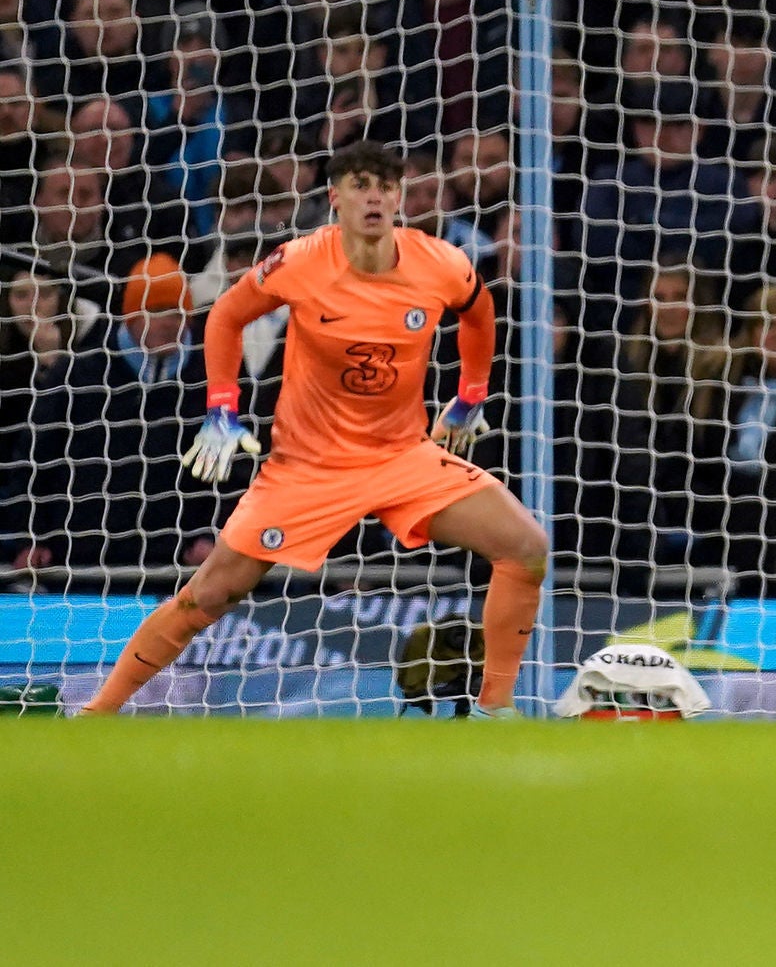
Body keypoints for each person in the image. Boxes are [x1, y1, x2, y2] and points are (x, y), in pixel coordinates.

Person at [82, 143, 549, 716]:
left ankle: (494, 710)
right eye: (359, 184)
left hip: (403, 458)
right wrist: (222, 407)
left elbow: (479, 314)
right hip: (309, 467)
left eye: (384, 185)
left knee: (526, 549)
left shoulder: (442, 263)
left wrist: (470, 397)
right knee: (208, 596)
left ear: (399, 197)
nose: (373, 195)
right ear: (336, 197)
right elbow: (226, 315)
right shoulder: (299, 261)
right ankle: (97, 713)